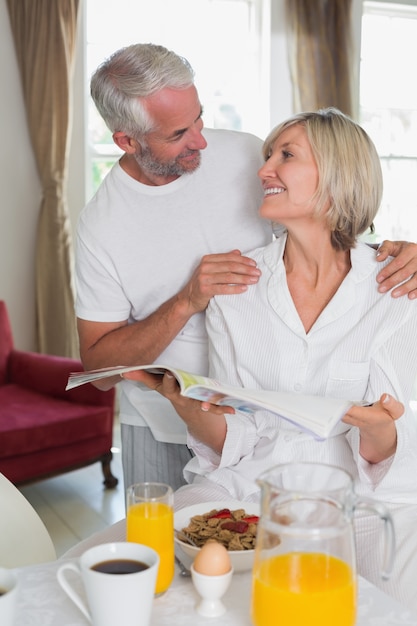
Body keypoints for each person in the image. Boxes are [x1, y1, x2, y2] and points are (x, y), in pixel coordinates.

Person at [75, 42, 417, 495]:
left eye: (199, 117)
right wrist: (186, 302)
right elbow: (97, 364)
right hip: (170, 422)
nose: (201, 139)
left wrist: (394, 255)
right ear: (127, 140)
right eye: (179, 133)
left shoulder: (243, 154)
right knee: (164, 549)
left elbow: (325, 215)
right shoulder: (101, 227)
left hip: (280, 441)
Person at [130, 108, 417, 611]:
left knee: (395, 598)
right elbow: (236, 433)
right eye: (267, 156)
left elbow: (396, 442)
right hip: (252, 483)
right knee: (165, 571)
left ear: (336, 172)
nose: (265, 170)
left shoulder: (395, 284)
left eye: (286, 155)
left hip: (365, 498)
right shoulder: (235, 283)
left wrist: (375, 429)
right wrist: (182, 402)